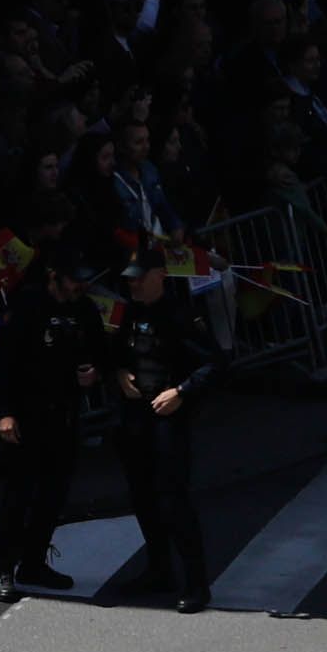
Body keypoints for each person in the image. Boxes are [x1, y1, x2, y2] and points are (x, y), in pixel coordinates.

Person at [0, 253, 102, 600]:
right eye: (74, 279)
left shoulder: (85, 310)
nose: (81, 286)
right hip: (25, 415)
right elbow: (1, 364)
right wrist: (3, 413)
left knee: (53, 495)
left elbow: (100, 350)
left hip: (63, 414)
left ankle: (34, 562)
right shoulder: (27, 307)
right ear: (56, 275)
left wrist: (95, 372)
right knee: (18, 496)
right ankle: (4, 569)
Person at [112, 252, 218, 612]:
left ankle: (196, 583)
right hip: (135, 418)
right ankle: (159, 570)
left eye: (139, 277)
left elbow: (214, 364)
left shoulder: (181, 314)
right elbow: (120, 352)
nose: (133, 283)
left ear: (160, 275)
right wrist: (120, 373)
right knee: (142, 497)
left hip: (167, 419)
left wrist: (182, 392)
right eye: (129, 278)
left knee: (173, 499)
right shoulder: (131, 312)